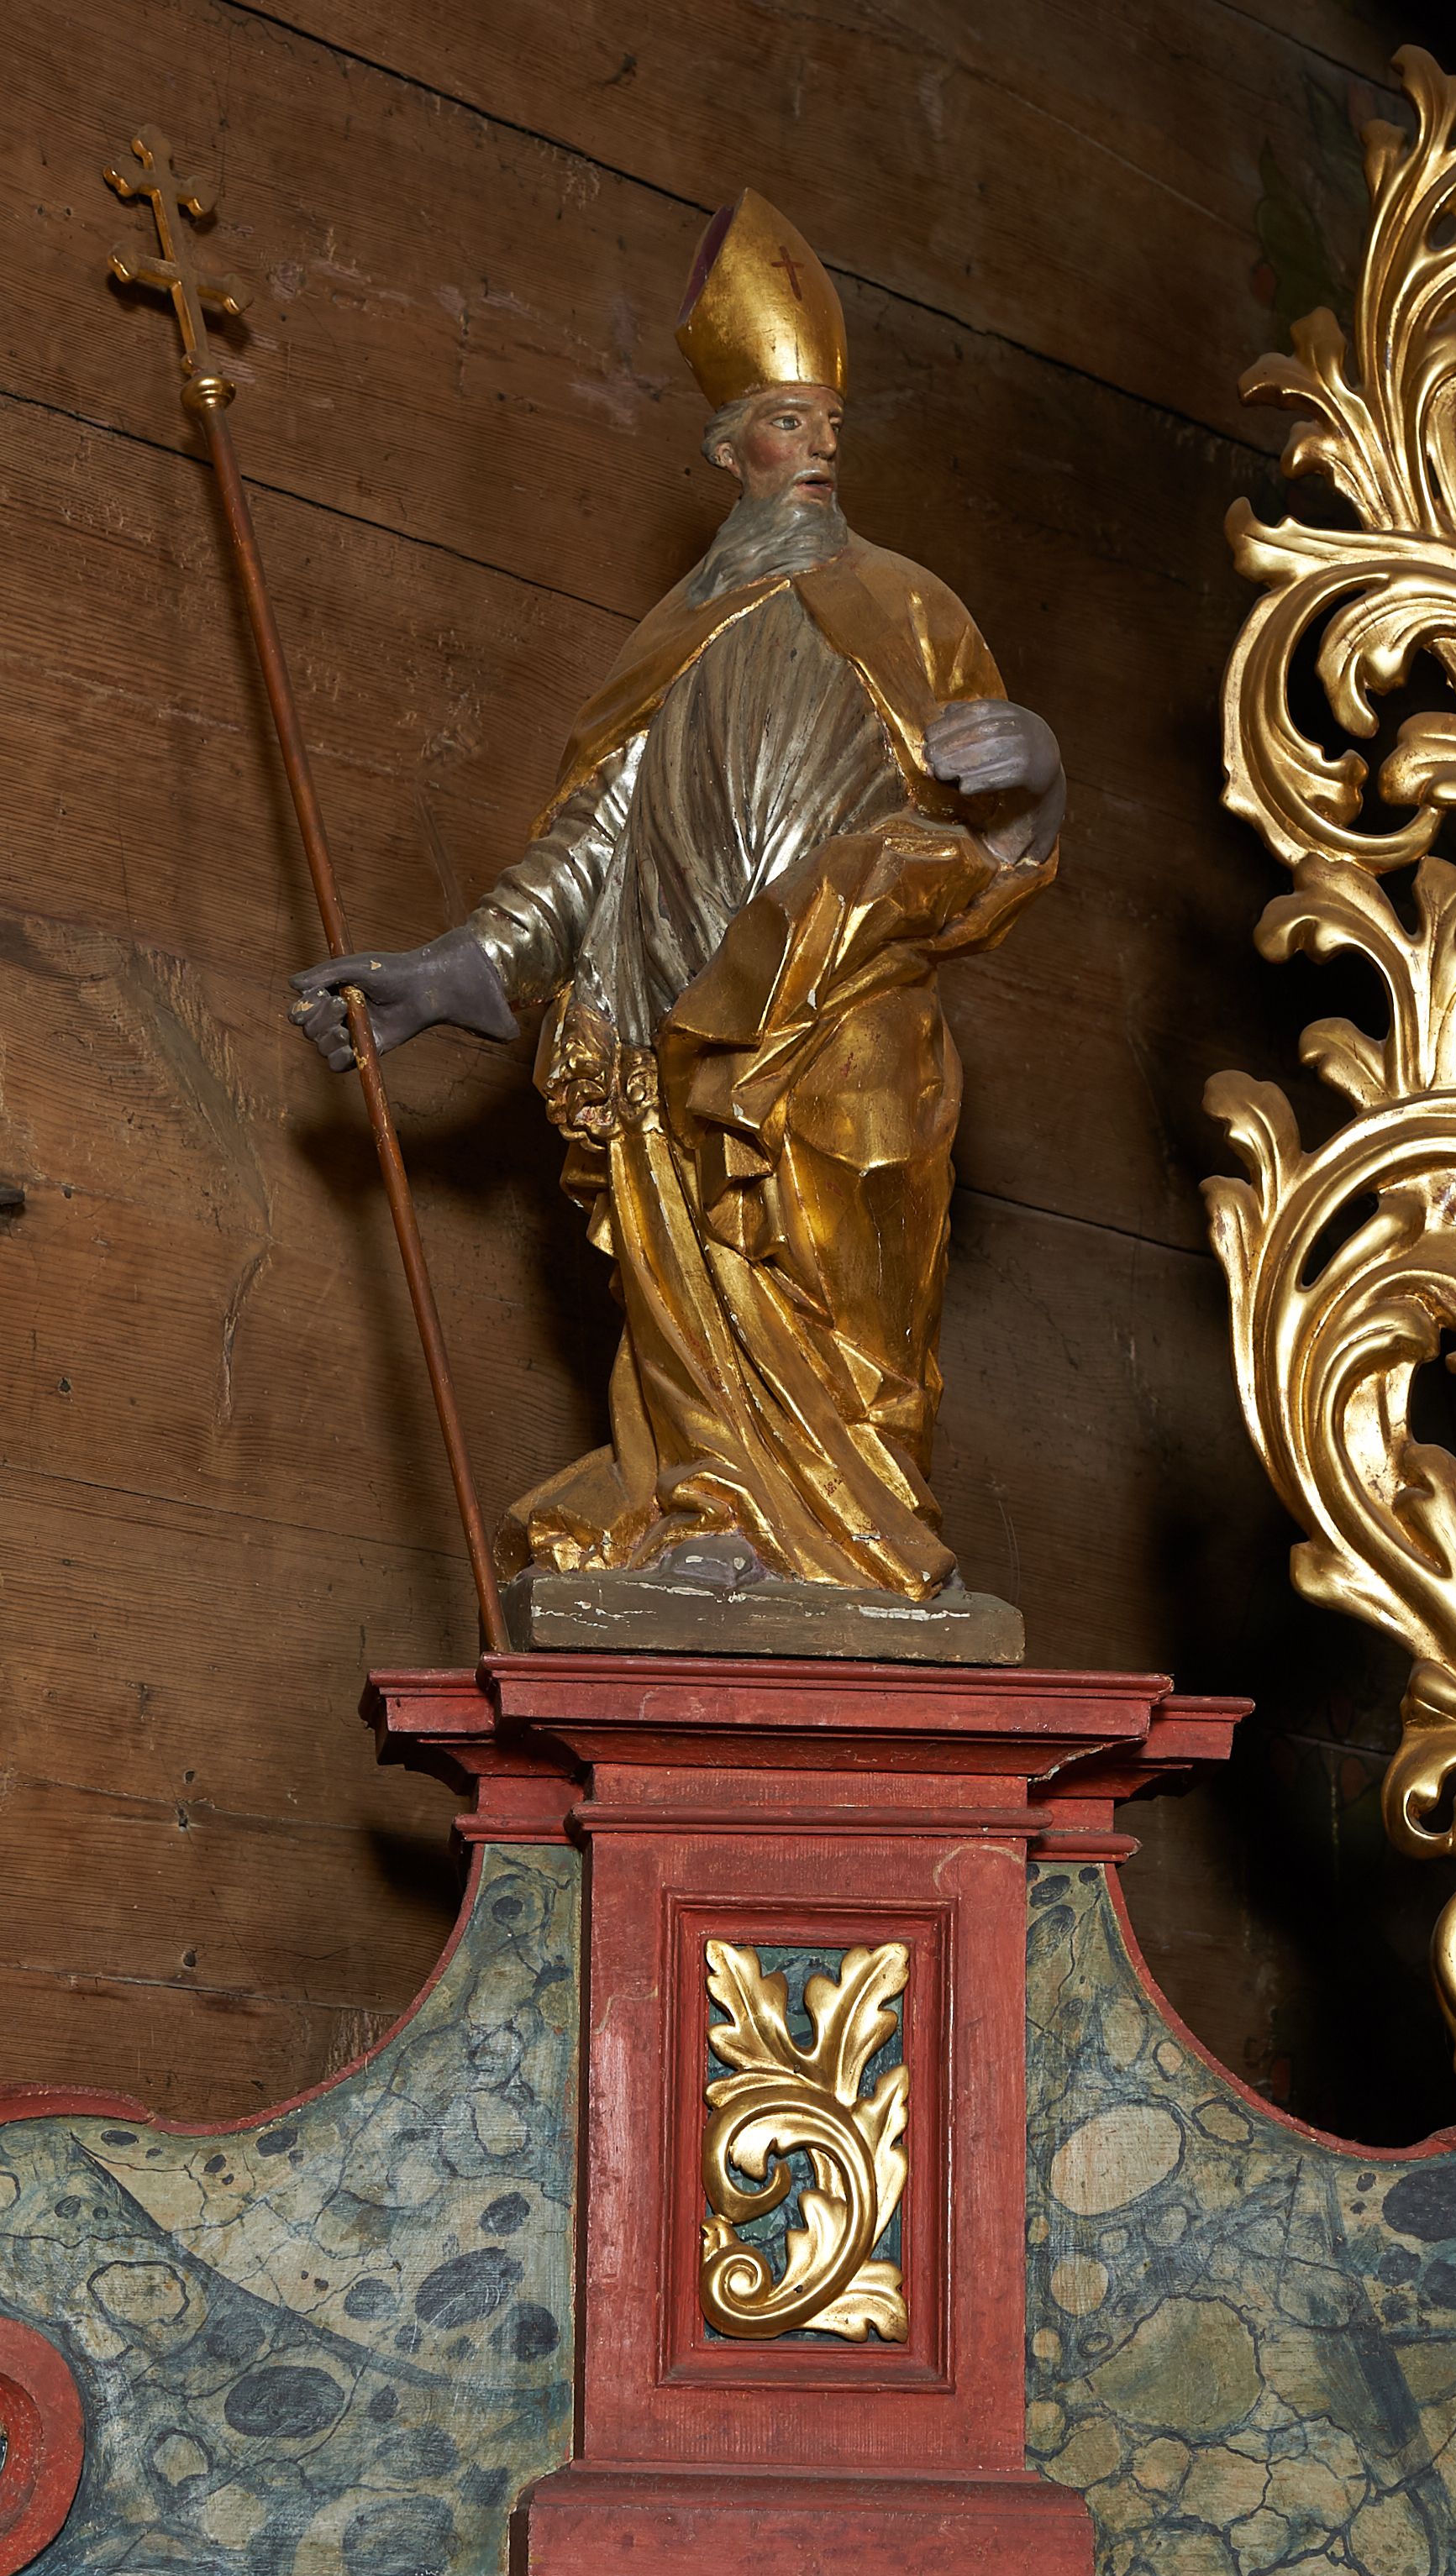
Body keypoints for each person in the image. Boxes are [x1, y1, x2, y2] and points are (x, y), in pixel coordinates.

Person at [289, 191, 1064, 1606]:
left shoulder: (916, 608)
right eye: (786, 420)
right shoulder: (677, 638)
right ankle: (714, 1505)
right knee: (695, 1291)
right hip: (667, 1025)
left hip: (847, 1014)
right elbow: (593, 841)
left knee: (862, 1297)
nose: (820, 445)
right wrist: (457, 971)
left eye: (831, 422)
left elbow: (993, 826)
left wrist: (1039, 777)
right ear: (725, 448)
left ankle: (871, 1539)